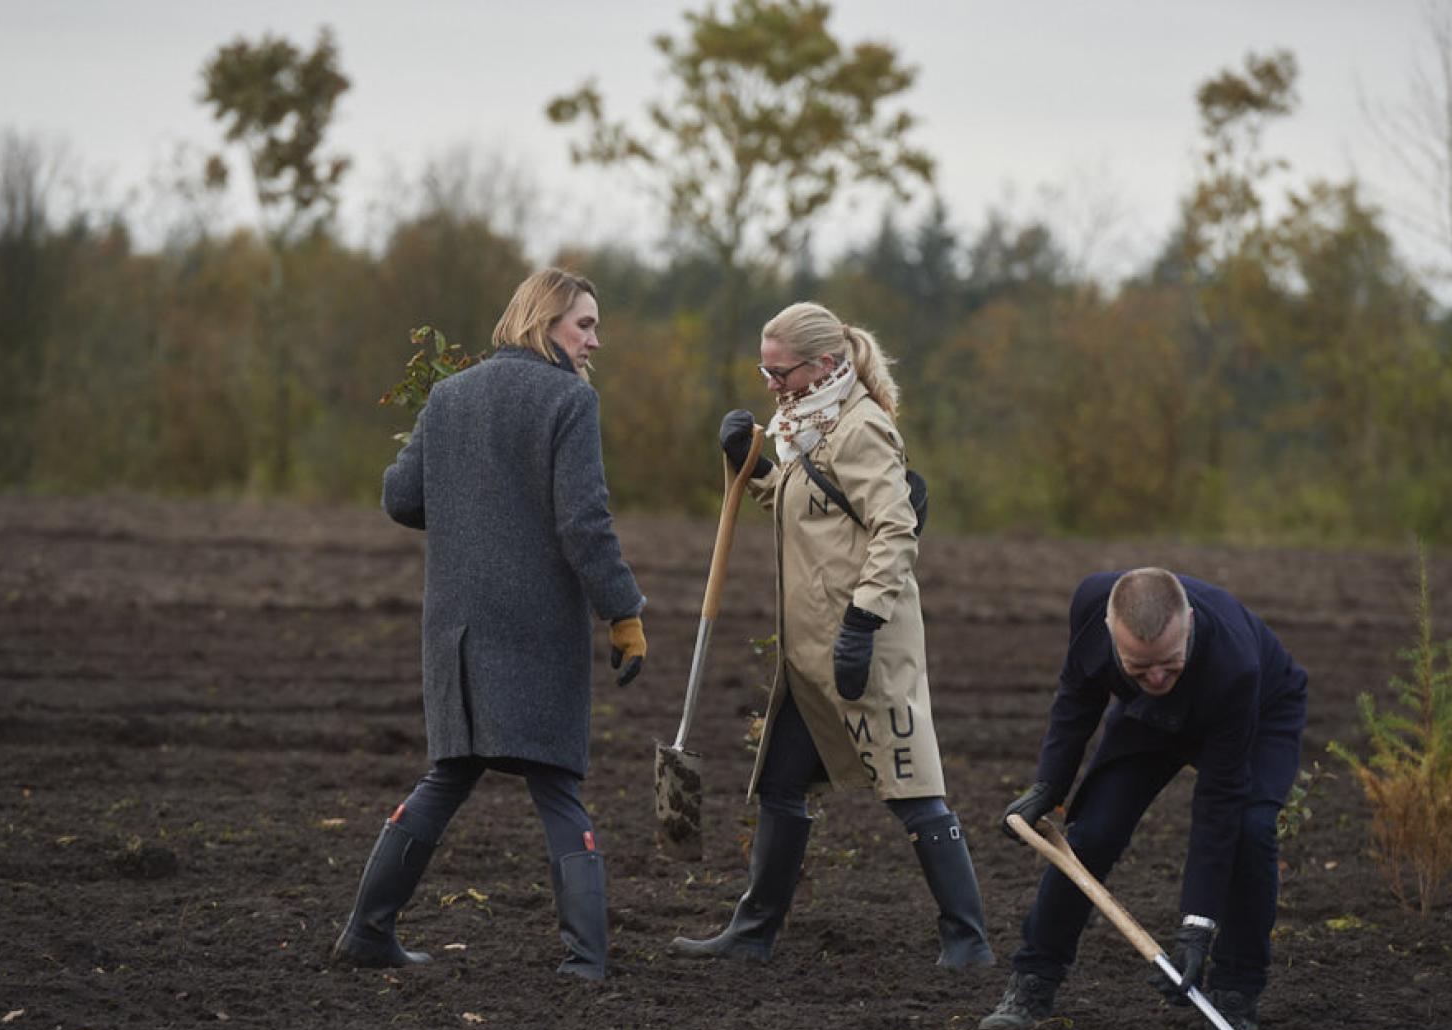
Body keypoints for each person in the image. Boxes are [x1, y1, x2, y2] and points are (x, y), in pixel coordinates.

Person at [331, 268, 648, 981]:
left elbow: (400, 497)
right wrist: (623, 612)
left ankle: (366, 931)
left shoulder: (449, 395)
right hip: (534, 631)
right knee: (556, 785)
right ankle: (586, 959)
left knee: (448, 775)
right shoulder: (570, 400)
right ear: (544, 321)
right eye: (584, 325)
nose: (596, 340)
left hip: (458, 633)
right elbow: (584, 523)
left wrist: (460, 472)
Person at [670, 302, 995, 969]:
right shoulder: (802, 429)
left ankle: (969, 940)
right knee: (782, 786)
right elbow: (803, 511)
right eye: (763, 369)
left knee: (914, 791)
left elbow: (894, 529)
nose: (769, 384)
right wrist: (751, 466)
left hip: (861, 647)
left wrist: (863, 623)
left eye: (779, 370)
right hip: (807, 654)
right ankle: (754, 932)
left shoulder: (861, 428)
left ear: (822, 364)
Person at [980, 567, 1307, 1030]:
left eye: (1169, 664)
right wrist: (1049, 789)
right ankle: (1033, 979)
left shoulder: (1236, 667)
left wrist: (1197, 926)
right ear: (1111, 632)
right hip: (1150, 721)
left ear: (1189, 623)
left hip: (1257, 714)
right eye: (1139, 667)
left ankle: (1237, 993)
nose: (1156, 677)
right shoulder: (1092, 604)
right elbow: (1077, 698)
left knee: (1249, 830)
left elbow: (1218, 803)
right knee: (1093, 832)